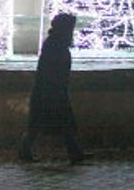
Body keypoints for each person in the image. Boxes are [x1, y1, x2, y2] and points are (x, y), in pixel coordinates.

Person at [19, 14, 91, 164]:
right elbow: (53, 71)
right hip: (51, 92)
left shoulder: (54, 42)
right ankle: (75, 154)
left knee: (43, 124)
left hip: (48, 91)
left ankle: (74, 153)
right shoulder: (56, 44)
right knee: (61, 124)